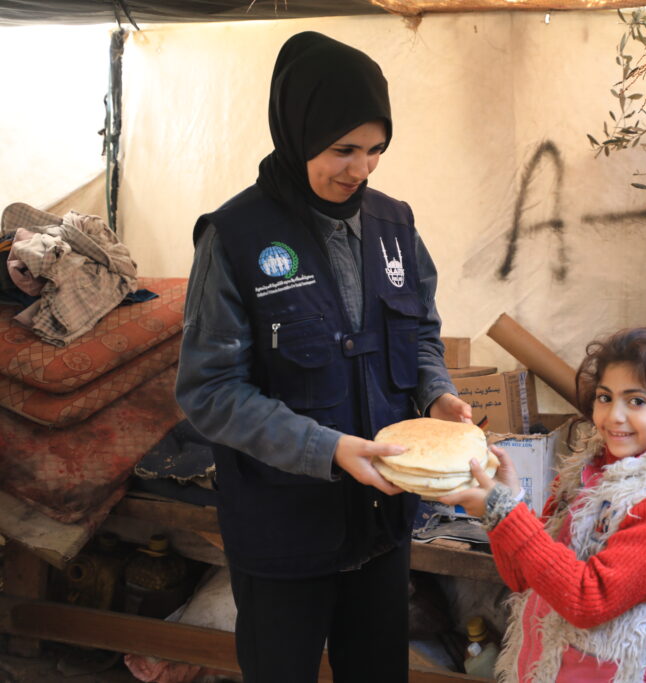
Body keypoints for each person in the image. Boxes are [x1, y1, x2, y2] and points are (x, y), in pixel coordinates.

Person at [175, 31, 471, 683]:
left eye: (375, 149)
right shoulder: (236, 237)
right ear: (297, 131)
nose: (360, 169)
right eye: (343, 150)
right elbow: (209, 391)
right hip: (282, 531)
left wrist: (435, 392)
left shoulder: (395, 226)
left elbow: (421, 330)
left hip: (382, 527)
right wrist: (327, 448)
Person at [443, 328, 646, 682]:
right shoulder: (587, 470)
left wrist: (505, 513)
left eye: (637, 401)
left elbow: (588, 601)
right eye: (605, 397)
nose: (614, 416)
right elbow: (523, 577)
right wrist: (510, 503)